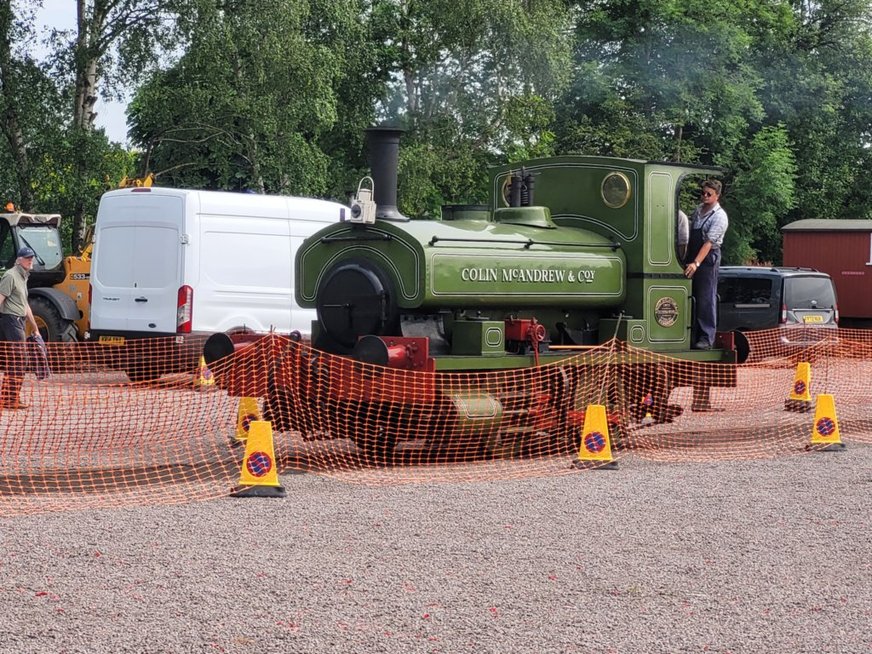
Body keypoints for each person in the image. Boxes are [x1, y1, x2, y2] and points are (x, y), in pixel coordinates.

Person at [684, 180, 728, 350]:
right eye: (703, 193)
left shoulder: (719, 216)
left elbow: (708, 243)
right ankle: (691, 334)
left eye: (709, 194)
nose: (705, 196)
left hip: (708, 258)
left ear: (717, 196)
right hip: (693, 254)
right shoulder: (697, 211)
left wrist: (696, 263)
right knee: (692, 295)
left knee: (706, 296)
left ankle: (706, 338)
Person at [0, 246, 40, 408]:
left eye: (32, 257)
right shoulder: (10, 276)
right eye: (27, 257)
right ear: (19, 260)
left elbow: (25, 305)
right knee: (20, 359)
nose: (31, 260)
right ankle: (10, 399)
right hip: (11, 320)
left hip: (19, 320)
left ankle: (8, 397)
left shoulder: (23, 277)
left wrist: (35, 327)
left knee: (16, 360)